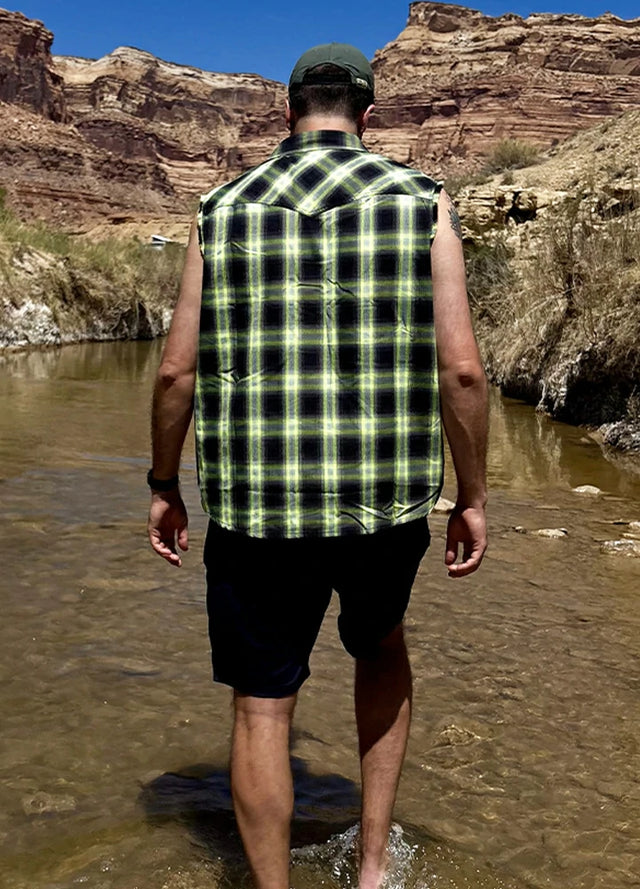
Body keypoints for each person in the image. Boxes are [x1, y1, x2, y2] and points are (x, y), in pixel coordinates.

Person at [147, 42, 487, 889]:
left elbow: (175, 372)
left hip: (257, 506)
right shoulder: (422, 201)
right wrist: (472, 494)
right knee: (380, 649)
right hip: (383, 502)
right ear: (367, 115)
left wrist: (163, 484)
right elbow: (464, 371)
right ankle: (373, 870)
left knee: (263, 707)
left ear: (285, 112)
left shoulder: (218, 209)